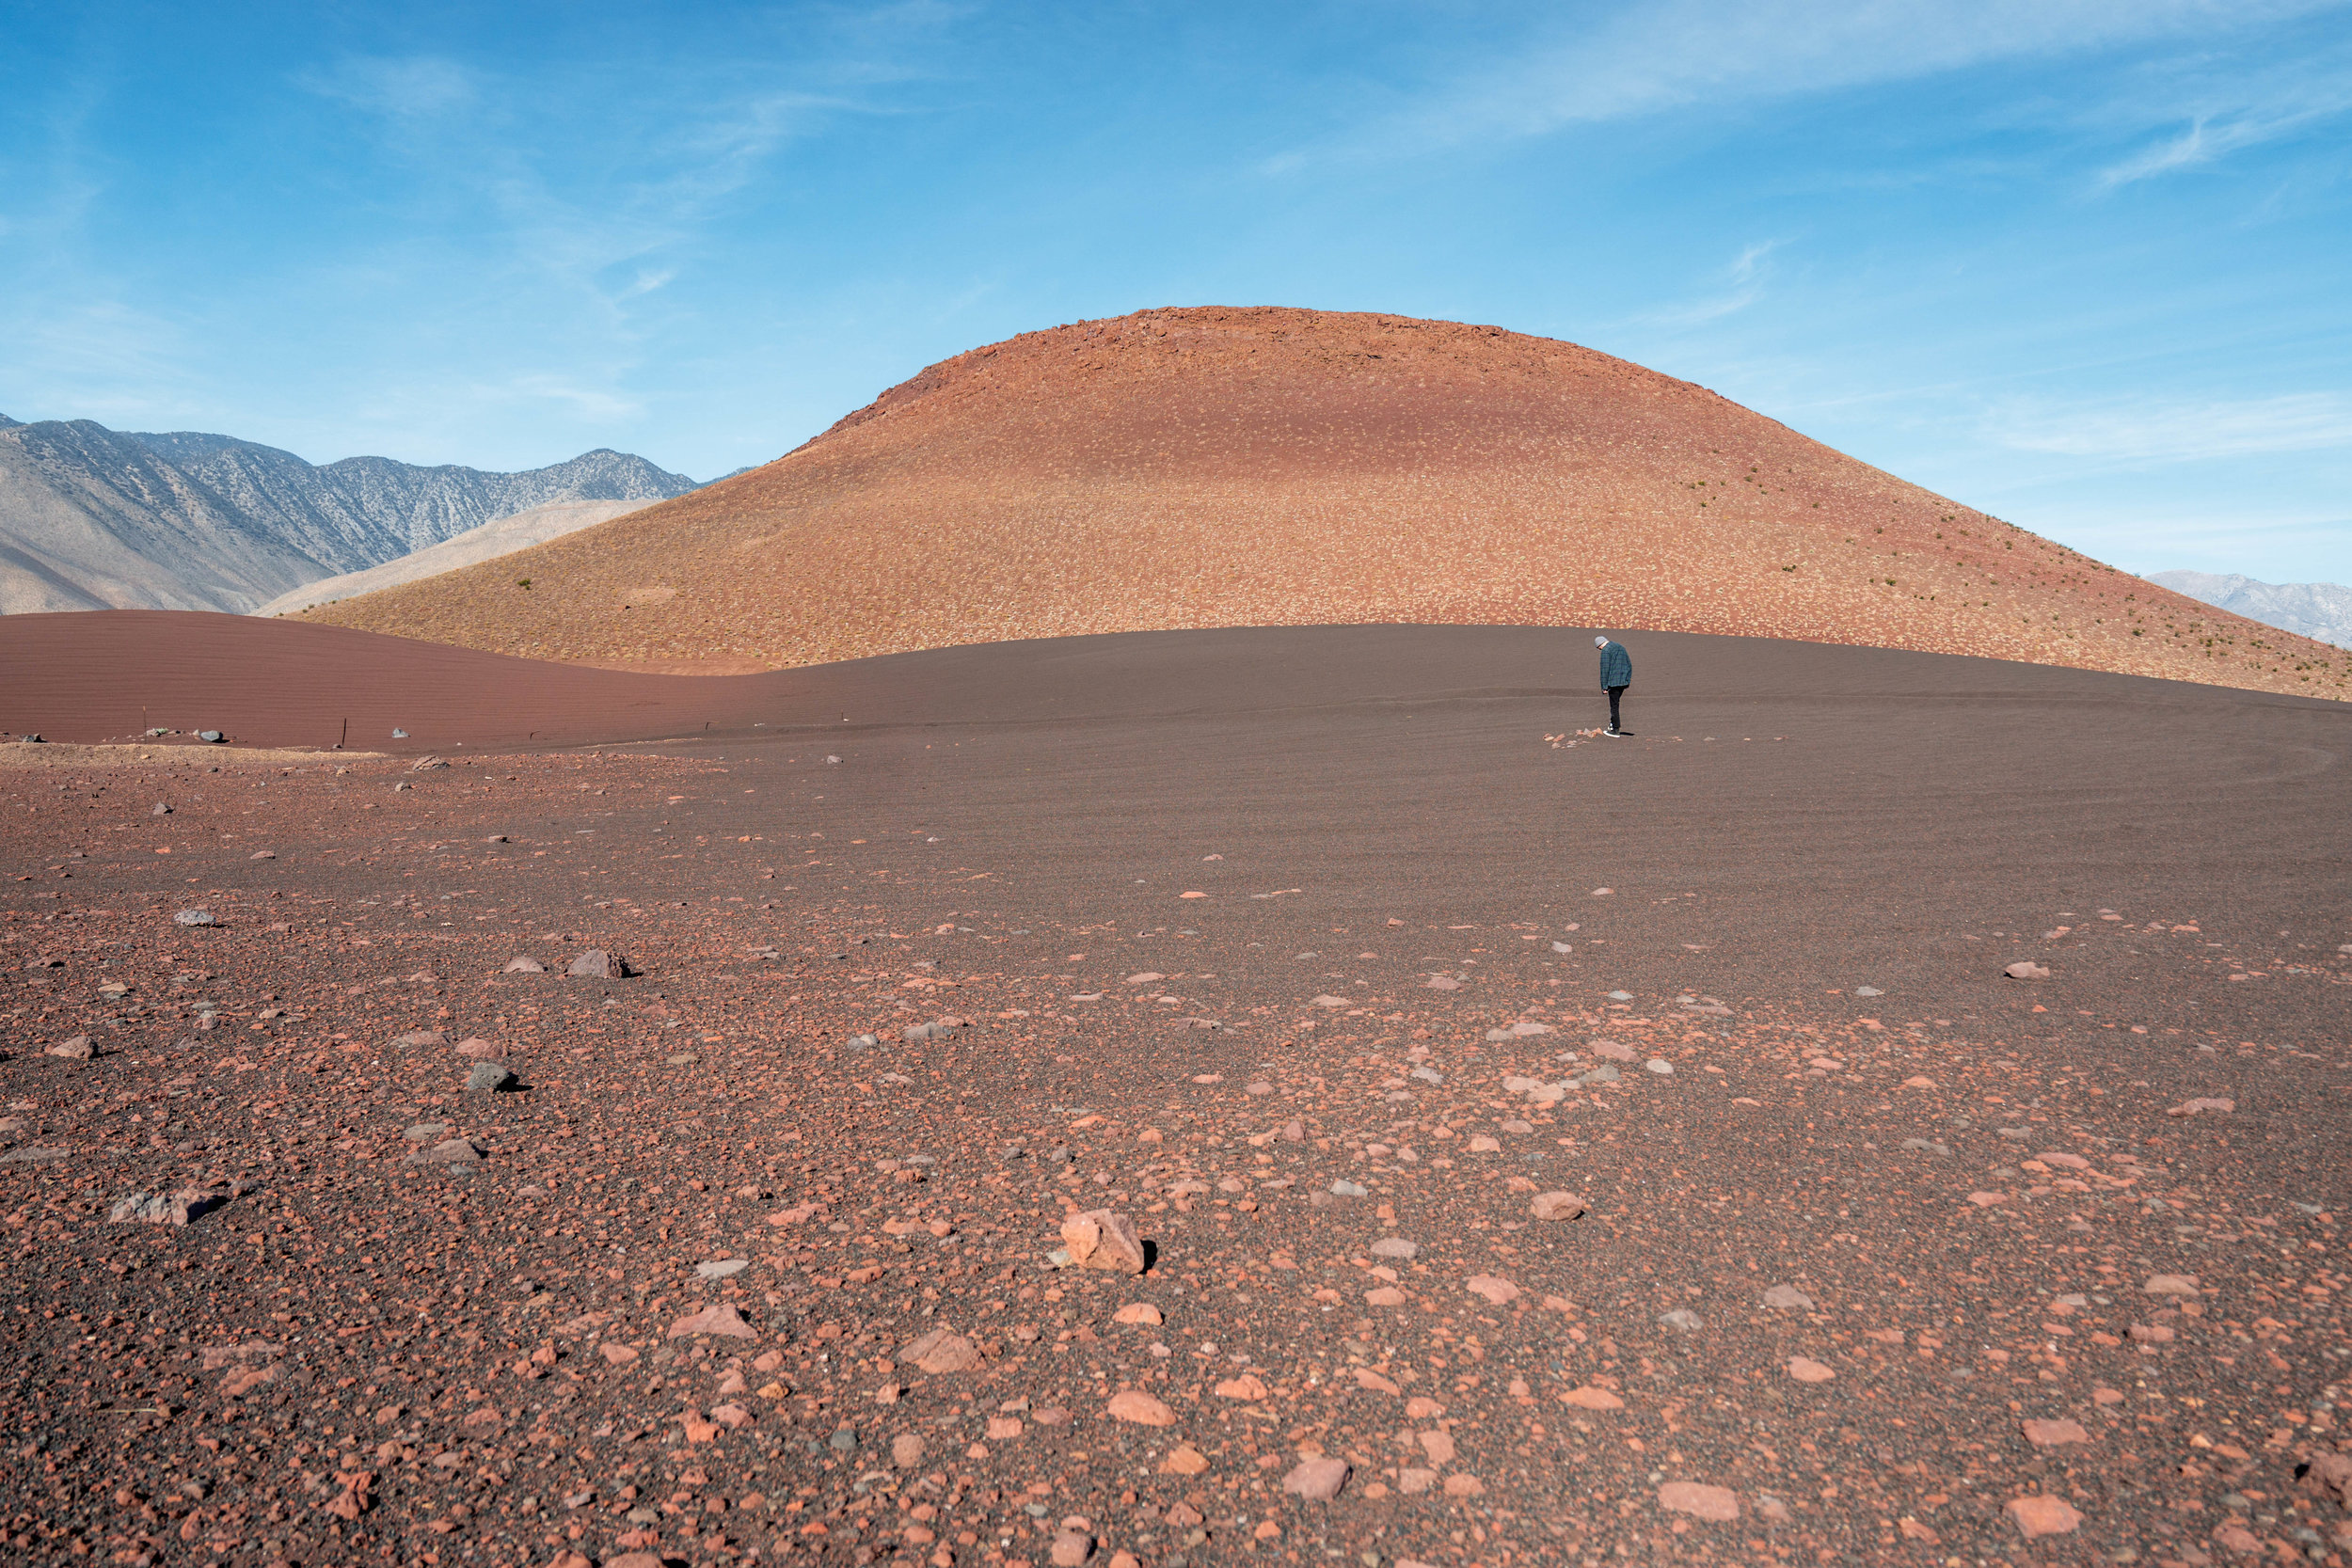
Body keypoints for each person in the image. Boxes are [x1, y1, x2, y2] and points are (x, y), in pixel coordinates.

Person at [1594, 635, 1631, 736]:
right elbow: (1629, 664)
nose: (1599, 649)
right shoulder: (1620, 647)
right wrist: (1627, 679)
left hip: (1613, 682)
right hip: (1623, 681)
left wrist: (1604, 686)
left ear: (1600, 645)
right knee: (1616, 703)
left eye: (1598, 648)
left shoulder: (1606, 651)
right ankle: (1612, 724)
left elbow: (1604, 669)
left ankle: (1615, 730)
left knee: (1614, 706)